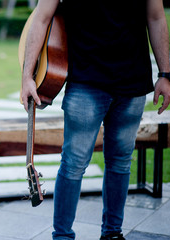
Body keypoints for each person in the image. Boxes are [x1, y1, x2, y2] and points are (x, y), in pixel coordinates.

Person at [21, 0, 170, 239]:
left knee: (120, 162)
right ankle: (62, 236)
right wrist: (27, 76)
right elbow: (41, 17)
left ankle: (112, 233)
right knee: (73, 164)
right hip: (85, 83)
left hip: (132, 82)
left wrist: (165, 73)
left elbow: (156, 16)